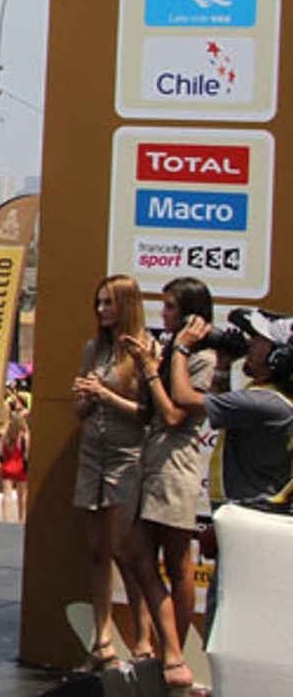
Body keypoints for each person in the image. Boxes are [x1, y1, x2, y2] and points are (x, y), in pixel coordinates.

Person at [169, 304, 293, 630]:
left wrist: (181, 348)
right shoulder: (269, 399)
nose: (250, 345)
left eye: (259, 341)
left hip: (251, 522)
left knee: (226, 619)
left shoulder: (265, 404)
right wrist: (223, 365)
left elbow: (184, 398)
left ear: (279, 357)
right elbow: (224, 414)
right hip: (252, 521)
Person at [123, 276, 216, 697]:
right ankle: (171, 650)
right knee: (138, 557)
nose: (164, 314)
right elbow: (149, 412)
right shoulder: (168, 351)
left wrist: (157, 367)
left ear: (192, 314)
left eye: (171, 307)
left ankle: (175, 655)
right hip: (153, 461)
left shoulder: (202, 358)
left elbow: (177, 414)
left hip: (176, 466)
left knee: (178, 565)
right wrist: (147, 365)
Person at [70, 273, 155, 669]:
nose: (101, 309)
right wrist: (87, 398)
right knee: (97, 550)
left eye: (108, 302)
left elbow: (148, 414)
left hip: (127, 455)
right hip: (92, 453)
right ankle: (102, 639)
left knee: (125, 551)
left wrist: (105, 393)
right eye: (98, 302)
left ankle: (143, 639)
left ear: (126, 305)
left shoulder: (144, 350)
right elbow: (79, 410)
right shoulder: (94, 348)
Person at [0, 392, 29, 523]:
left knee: (7, 494)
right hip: (21, 466)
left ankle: (5, 517)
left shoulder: (6, 436)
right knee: (22, 495)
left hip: (8, 465)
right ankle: (21, 517)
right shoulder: (24, 435)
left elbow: (0, 452)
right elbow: (27, 452)